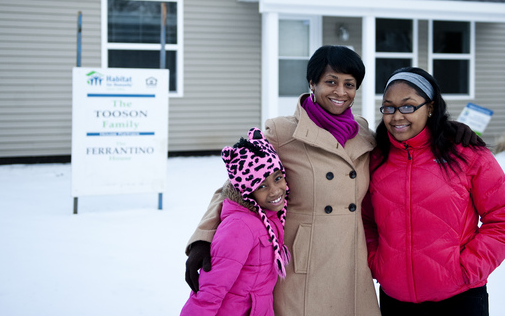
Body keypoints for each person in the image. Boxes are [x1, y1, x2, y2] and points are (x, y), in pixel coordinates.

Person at [185, 46, 479, 316]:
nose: (340, 91)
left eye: (349, 84)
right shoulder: (282, 133)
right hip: (302, 266)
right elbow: (235, 186)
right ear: (312, 83)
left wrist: (444, 127)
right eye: (331, 81)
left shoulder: (364, 135)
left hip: (351, 262)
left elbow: (406, 139)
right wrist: (203, 238)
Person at [362, 67, 505, 316]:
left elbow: (504, 217)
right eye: (389, 107)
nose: (396, 116)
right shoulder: (376, 159)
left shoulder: (466, 153)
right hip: (396, 300)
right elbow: (365, 220)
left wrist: (467, 269)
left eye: (408, 106)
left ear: (430, 107)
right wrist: (378, 263)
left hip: (459, 298)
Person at [180, 127, 290, 316]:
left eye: (278, 178)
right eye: (262, 186)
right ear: (246, 192)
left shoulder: (268, 218)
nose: (274, 190)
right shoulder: (240, 227)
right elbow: (210, 292)